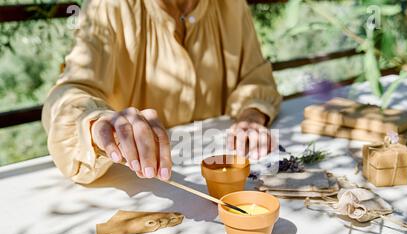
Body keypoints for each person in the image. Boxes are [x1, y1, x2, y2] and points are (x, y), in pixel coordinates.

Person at [42, 0, 282, 184]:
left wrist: (251, 115)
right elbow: (67, 93)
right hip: (144, 187)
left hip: (220, 174)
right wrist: (96, 123)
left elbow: (254, 76)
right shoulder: (110, 6)